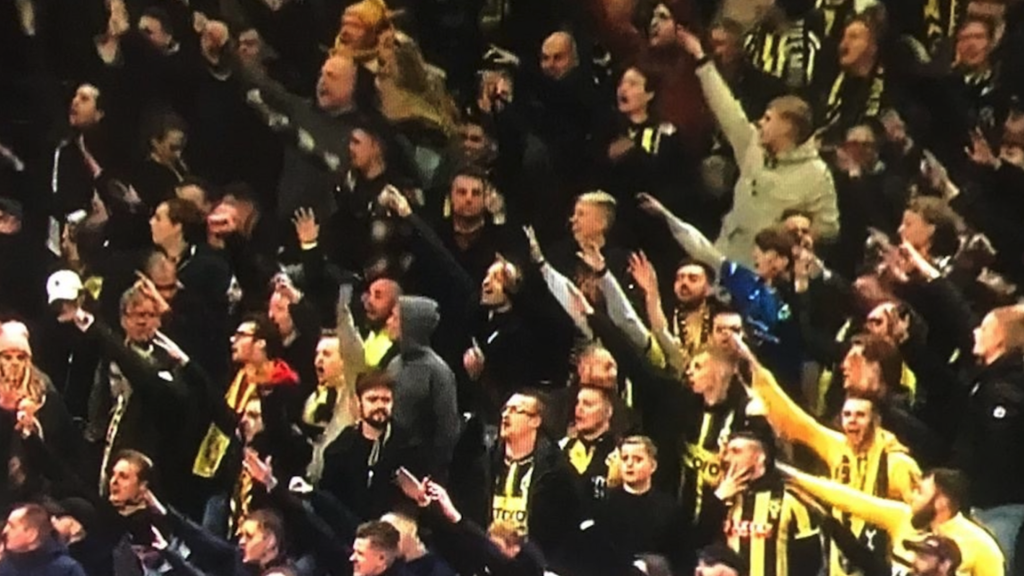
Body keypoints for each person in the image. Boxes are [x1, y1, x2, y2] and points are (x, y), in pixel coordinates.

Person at [677, 27, 839, 269]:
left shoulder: (816, 175)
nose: (760, 123)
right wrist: (702, 60)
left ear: (787, 128)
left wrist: (797, 232)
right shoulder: (752, 145)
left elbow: (829, 227)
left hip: (763, 271)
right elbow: (726, 109)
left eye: (768, 118)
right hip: (724, 255)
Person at [783, 466, 1004, 576]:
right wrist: (793, 477)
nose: (912, 496)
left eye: (920, 492)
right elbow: (851, 500)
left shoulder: (982, 547)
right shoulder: (901, 517)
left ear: (941, 502)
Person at [696, 422, 823, 576]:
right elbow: (699, 542)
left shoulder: (790, 499)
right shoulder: (721, 498)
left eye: (736, 451)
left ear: (759, 458)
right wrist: (718, 499)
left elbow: (810, 560)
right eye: (727, 452)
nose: (726, 458)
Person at [955, 305, 1024, 570]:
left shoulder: (1006, 389)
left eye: (984, 328)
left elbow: (999, 451)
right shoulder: (990, 381)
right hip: (984, 505)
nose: (976, 332)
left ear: (1000, 339)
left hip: (1001, 508)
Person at [321, 370, 419, 520]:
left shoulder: (409, 445)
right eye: (372, 400)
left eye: (386, 400)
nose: (380, 405)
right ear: (358, 402)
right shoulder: (340, 449)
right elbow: (328, 499)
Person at [384, 295, 459, 478]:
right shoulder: (394, 364)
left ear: (410, 324)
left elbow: (447, 430)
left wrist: (434, 474)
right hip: (390, 463)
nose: (388, 322)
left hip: (422, 471)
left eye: (395, 317)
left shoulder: (438, 371)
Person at [0, 504, 87, 576]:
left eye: (12, 526)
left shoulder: (67, 570)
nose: (5, 531)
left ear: (31, 534)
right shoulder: (5, 565)